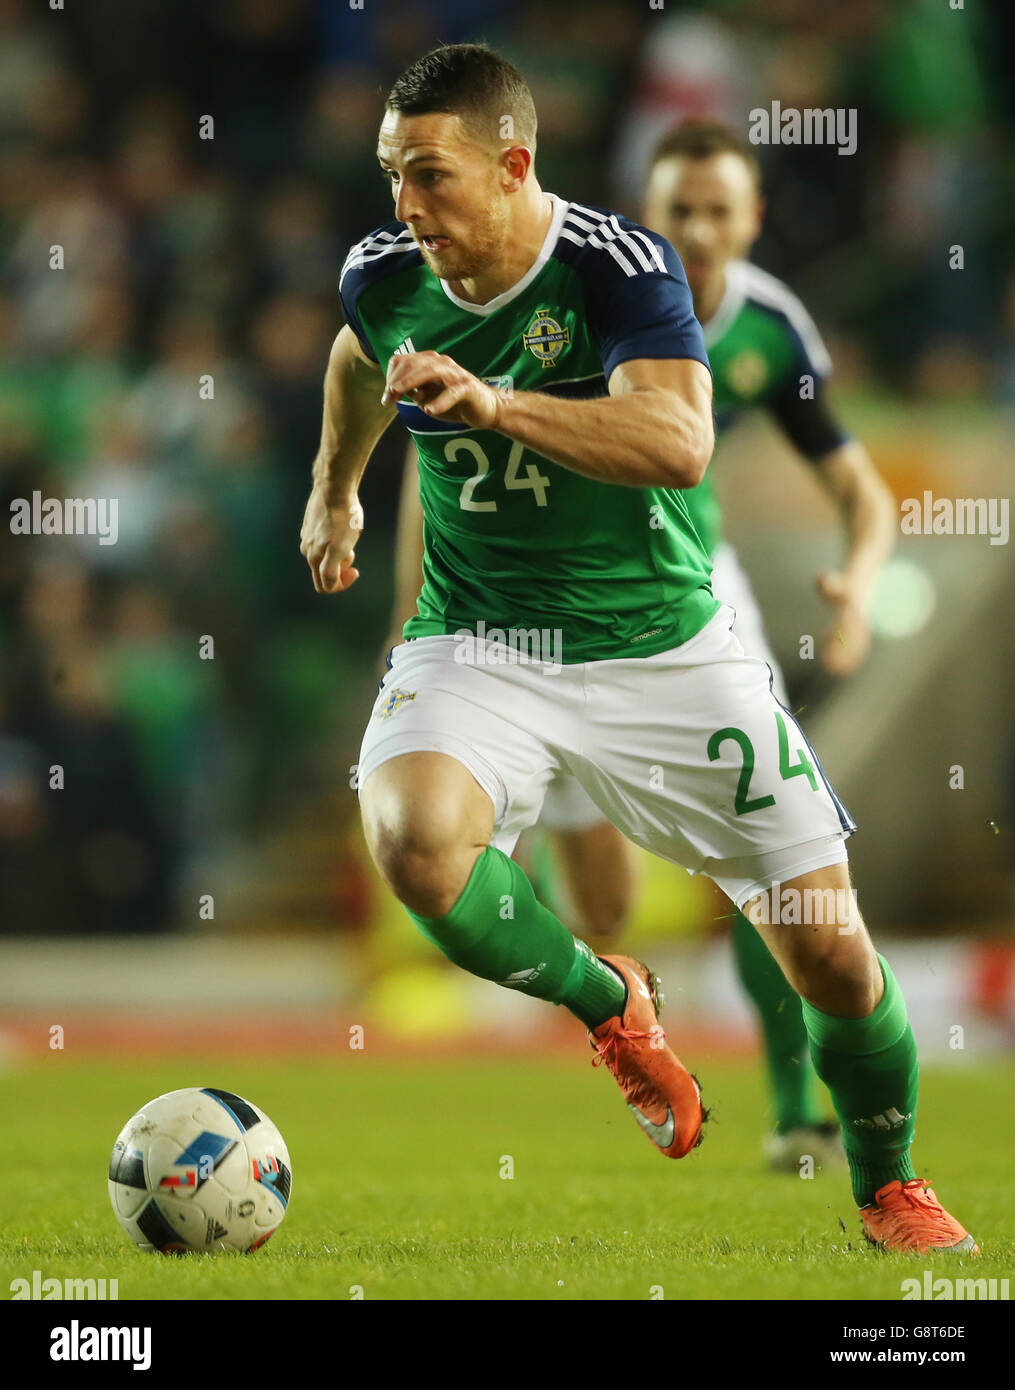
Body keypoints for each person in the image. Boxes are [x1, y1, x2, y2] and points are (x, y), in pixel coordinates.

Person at [300, 43, 976, 1254]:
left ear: (514, 166)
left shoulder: (619, 265)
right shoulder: (382, 272)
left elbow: (678, 442)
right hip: (479, 639)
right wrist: (335, 489)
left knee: (825, 947)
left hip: (661, 646)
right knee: (412, 842)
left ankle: (890, 1185)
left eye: (433, 176)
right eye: (393, 174)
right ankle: (611, 1002)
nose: (406, 204)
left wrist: (498, 401)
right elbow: (358, 362)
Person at [384, 116, 898, 1174]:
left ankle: (797, 1108)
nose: (699, 230)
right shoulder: (593, 280)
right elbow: (422, 439)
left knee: (776, 884)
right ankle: (618, 1010)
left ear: (754, 219)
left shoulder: (769, 329)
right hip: (523, 614)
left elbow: (853, 482)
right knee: (603, 902)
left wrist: (860, 581)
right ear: (644, 213)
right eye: (679, 210)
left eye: (720, 210)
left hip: (689, 604)